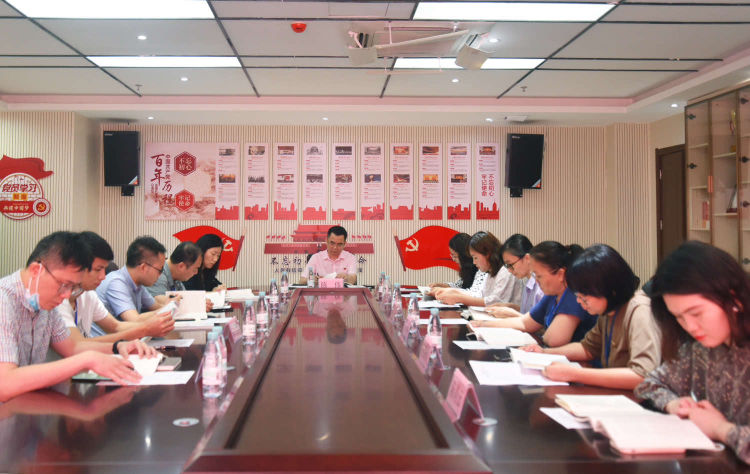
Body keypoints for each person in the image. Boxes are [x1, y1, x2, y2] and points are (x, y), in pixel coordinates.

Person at [0, 231, 156, 402]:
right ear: (37, 270)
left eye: (72, 287)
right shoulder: (4, 300)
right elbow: (5, 383)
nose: (67, 295)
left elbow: (72, 347)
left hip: (27, 405)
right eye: (64, 285)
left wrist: (118, 347)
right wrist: (87, 360)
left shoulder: (46, 303)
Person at [635, 241, 750, 464]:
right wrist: (674, 404)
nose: (690, 326)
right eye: (679, 317)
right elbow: (649, 384)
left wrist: (720, 429)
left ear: (734, 298)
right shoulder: (701, 348)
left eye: (696, 313)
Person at [521, 244, 661, 389]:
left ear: (608, 287)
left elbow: (642, 376)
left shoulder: (639, 312)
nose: (578, 301)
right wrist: (544, 352)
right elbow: (587, 348)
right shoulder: (608, 312)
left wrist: (574, 374)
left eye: (584, 297)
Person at [470, 241, 596, 347]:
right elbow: (525, 322)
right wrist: (483, 324)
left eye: (539, 276)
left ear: (560, 274)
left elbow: (553, 339)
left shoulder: (572, 294)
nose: (536, 280)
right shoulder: (552, 294)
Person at [57, 231, 175, 342]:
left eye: (104, 269)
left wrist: (150, 325)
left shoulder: (89, 295)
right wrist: (146, 328)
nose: (103, 277)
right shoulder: (58, 301)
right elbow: (77, 345)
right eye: (98, 269)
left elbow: (116, 326)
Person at [95, 236, 170, 326]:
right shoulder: (116, 283)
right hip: (109, 335)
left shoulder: (138, 285)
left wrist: (171, 305)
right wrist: (169, 309)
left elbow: (156, 307)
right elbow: (134, 320)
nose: (160, 275)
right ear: (144, 267)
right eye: (160, 270)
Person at [434, 231, 522, 307]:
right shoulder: (490, 272)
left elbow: (495, 302)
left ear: (487, 254)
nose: (474, 262)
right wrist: (451, 291)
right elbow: (479, 295)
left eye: (475, 258)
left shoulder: (506, 271)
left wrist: (458, 297)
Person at [486, 233, 544, 315]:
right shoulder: (527, 281)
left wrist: (512, 313)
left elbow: (538, 321)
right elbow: (528, 312)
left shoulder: (541, 285)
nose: (509, 270)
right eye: (507, 266)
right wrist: (511, 307)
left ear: (527, 258)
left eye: (510, 265)